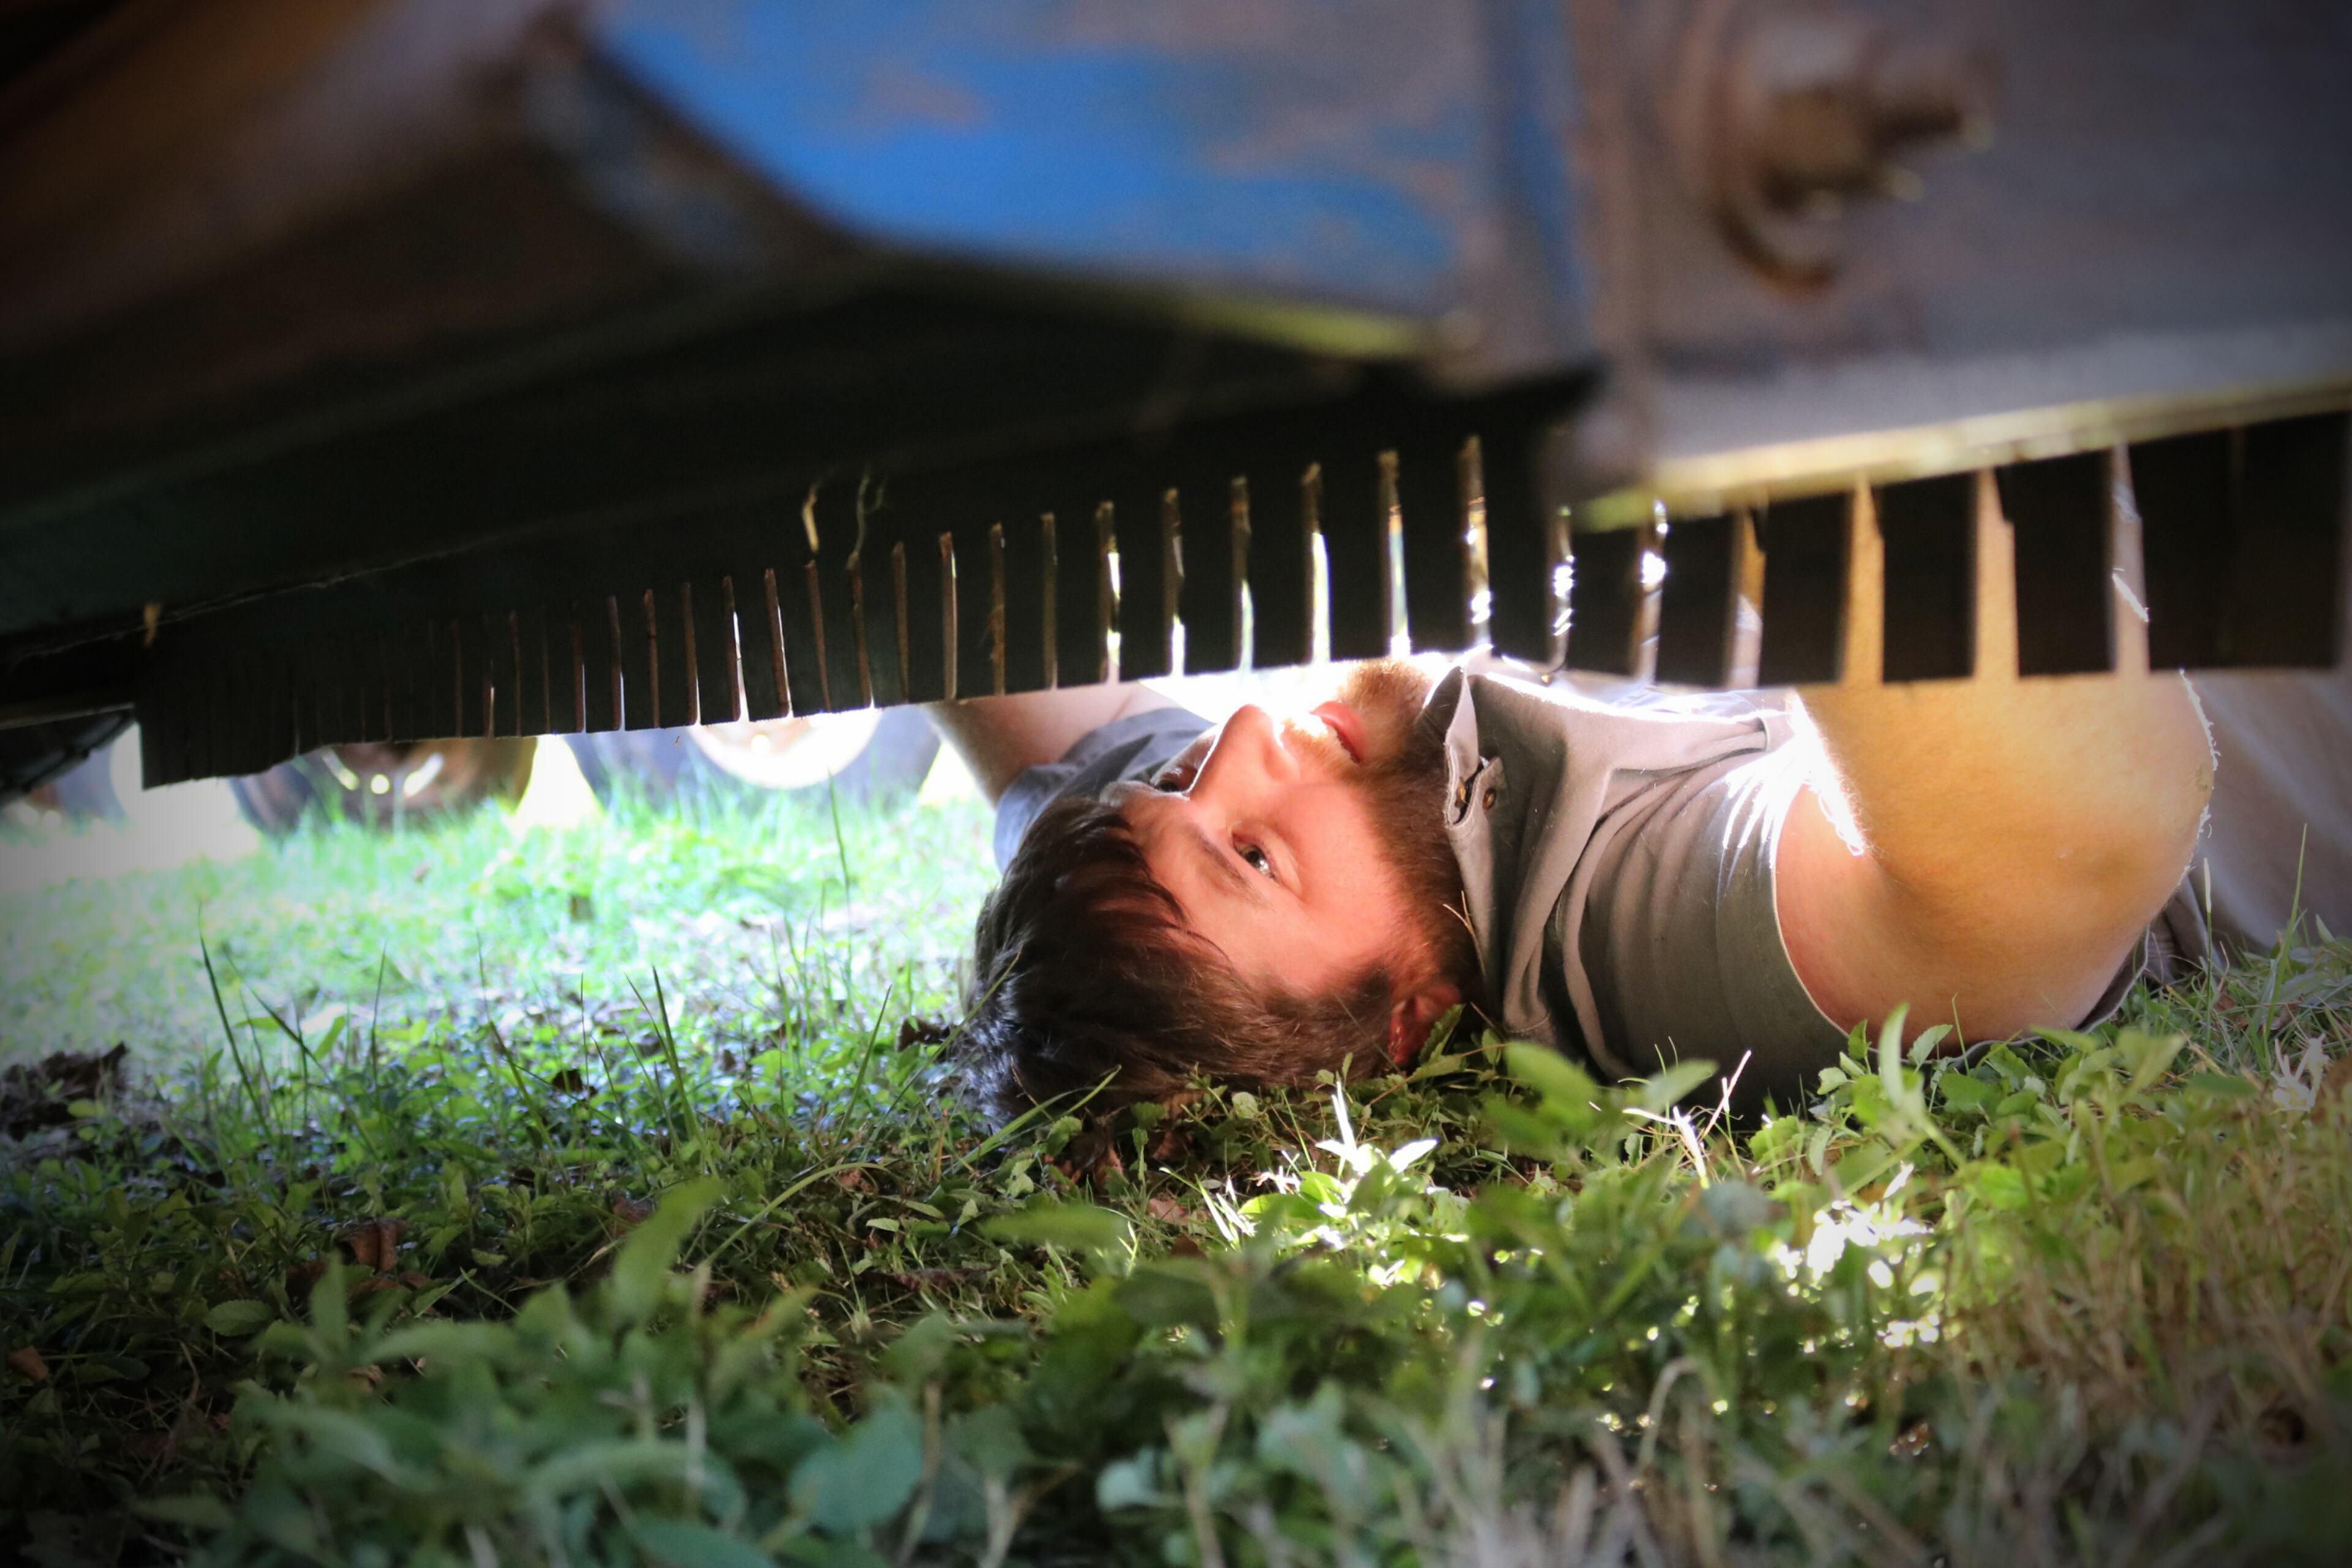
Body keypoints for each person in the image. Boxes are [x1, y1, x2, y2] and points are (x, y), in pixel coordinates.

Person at [925, 492, 2328, 1120]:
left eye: (1177, 786)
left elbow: (1042, 717)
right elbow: (2093, 828)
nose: (1233, 739)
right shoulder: (1622, 935)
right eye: (1254, 853)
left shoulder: (1142, 864)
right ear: (1409, 1018)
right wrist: (1697, 431)